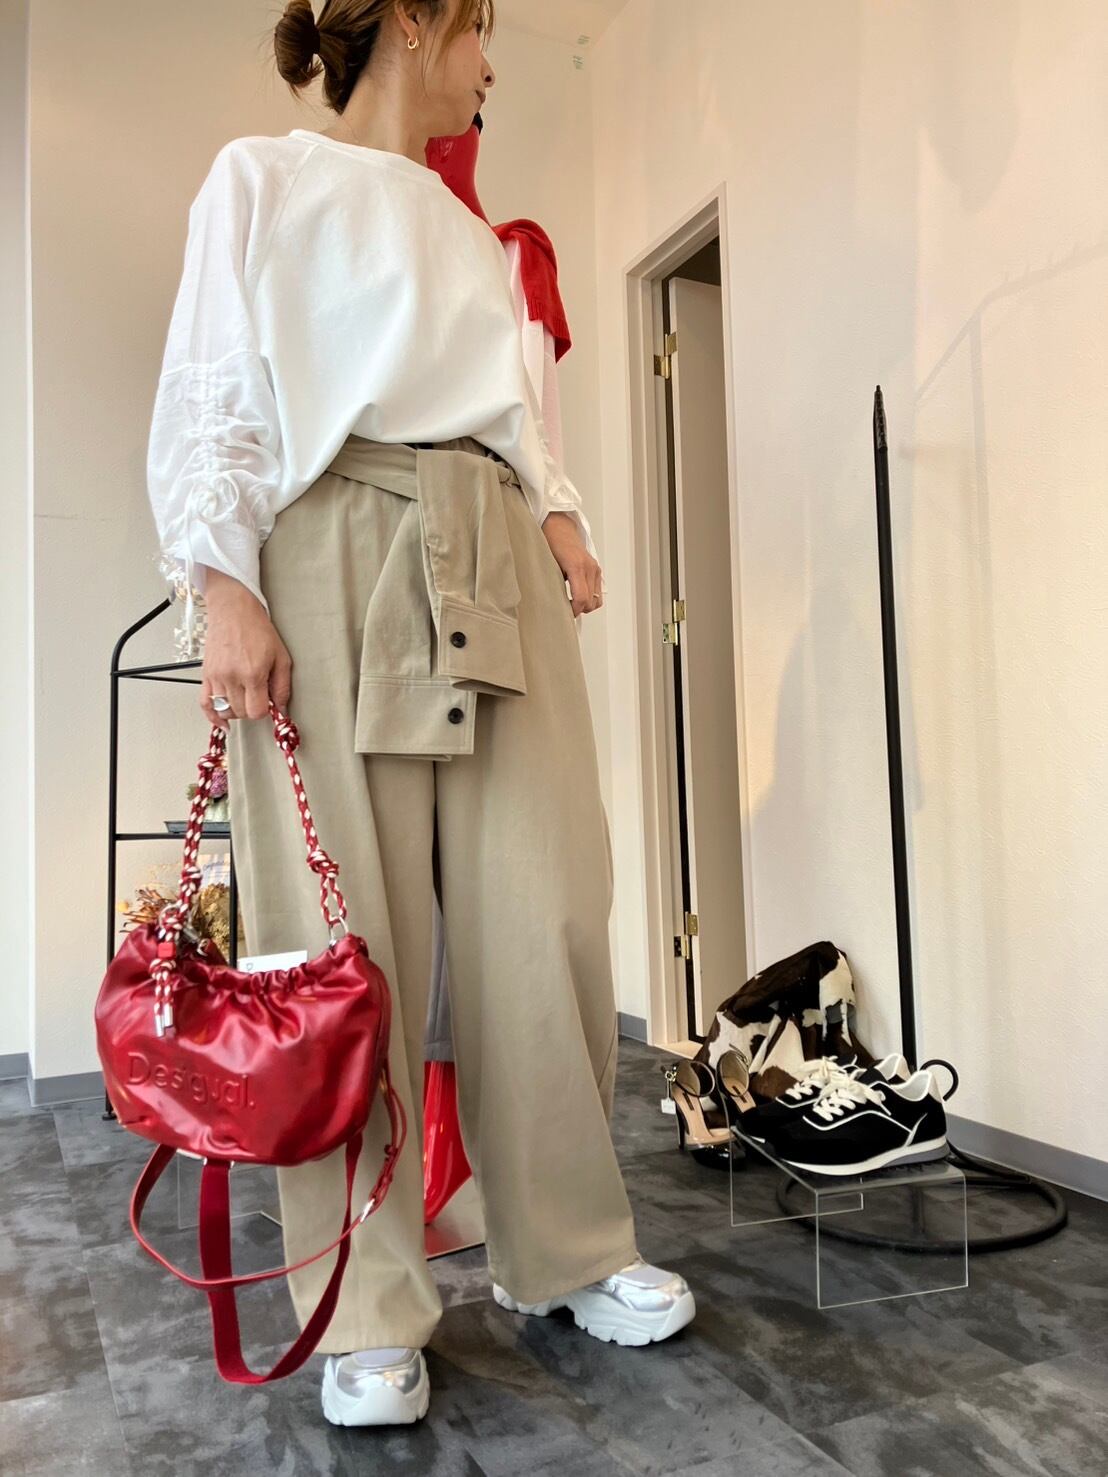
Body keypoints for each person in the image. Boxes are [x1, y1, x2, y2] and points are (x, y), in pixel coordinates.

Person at [145, 0, 696, 1429]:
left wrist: (559, 516)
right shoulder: (262, 180)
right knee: (342, 942)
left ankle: (565, 1247)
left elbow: (518, 419)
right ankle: (364, 1306)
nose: (492, 63)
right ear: (413, 20)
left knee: (547, 905)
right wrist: (223, 581)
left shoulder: (469, 233)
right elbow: (214, 391)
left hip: (490, 546)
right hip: (330, 542)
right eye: (480, 29)